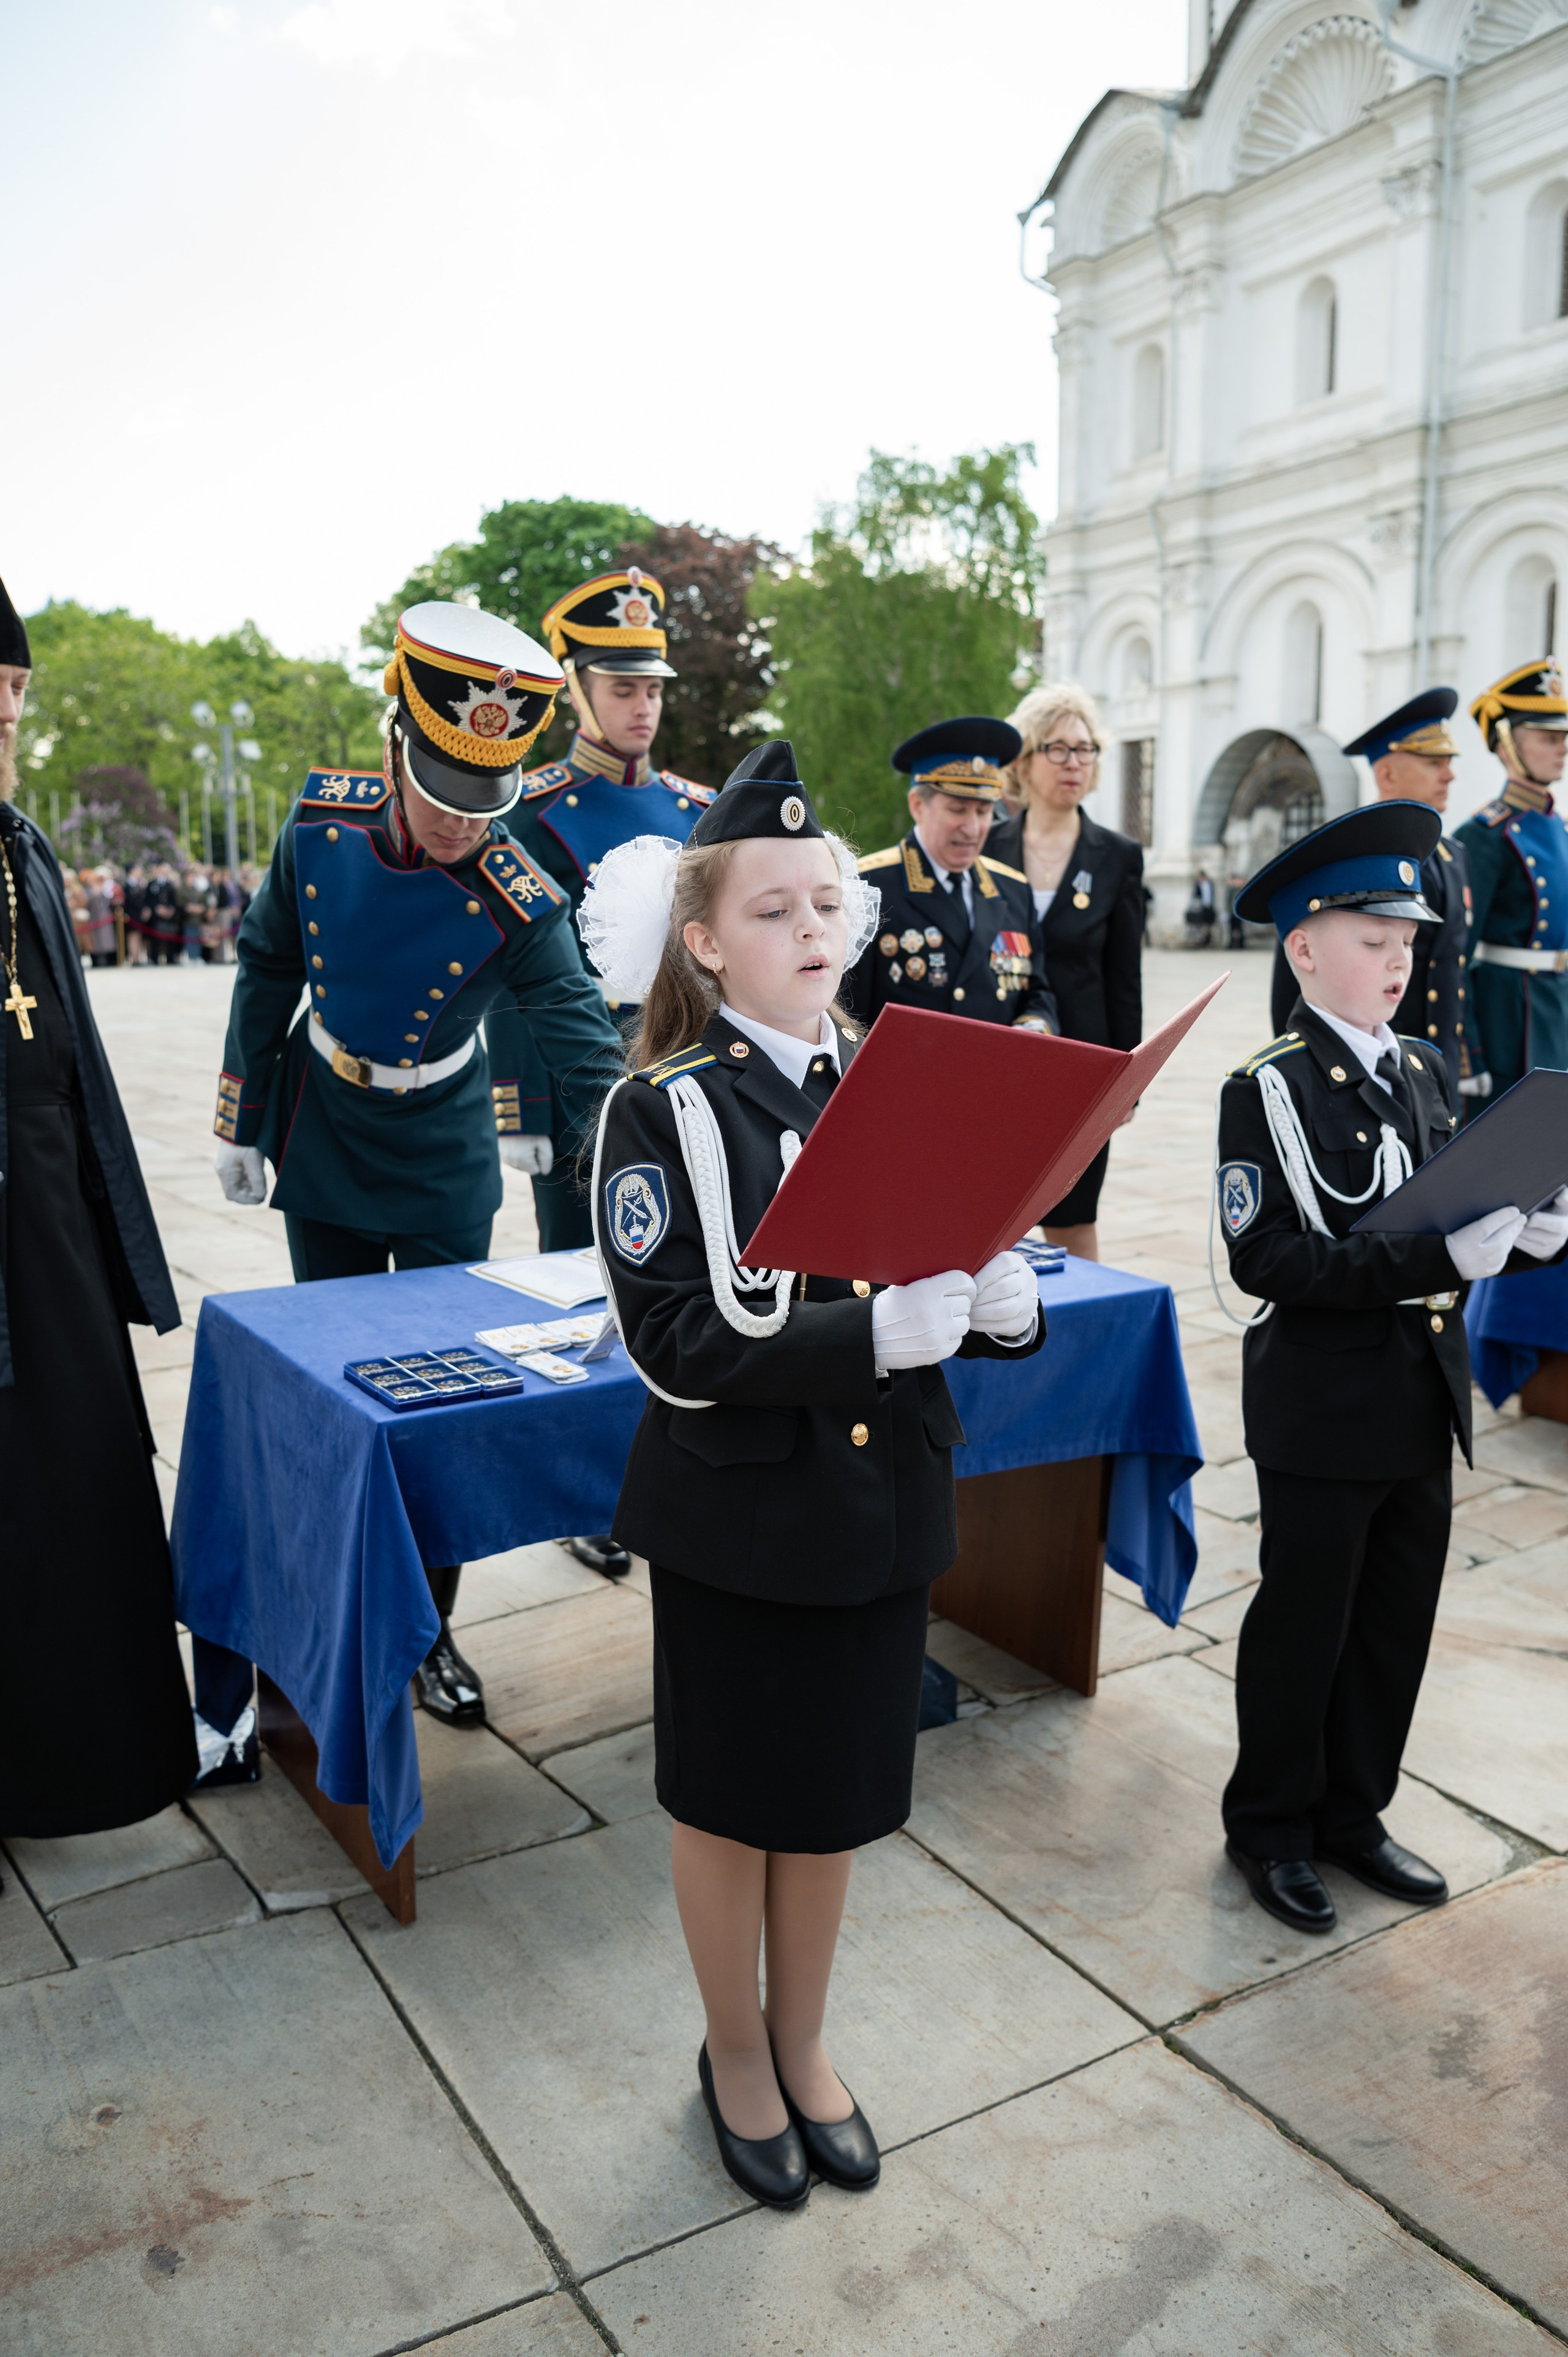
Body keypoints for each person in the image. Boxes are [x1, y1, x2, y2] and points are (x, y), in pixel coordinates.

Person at [582, 739, 1046, 2208]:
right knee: (731, 1792)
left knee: (837, 1787)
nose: (813, 932)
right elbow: (671, 1338)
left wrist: (995, 1301)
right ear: (704, 939)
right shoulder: (661, 1105)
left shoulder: (891, 1073)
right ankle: (732, 2049)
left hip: (882, 1497)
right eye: (773, 911)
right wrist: (866, 1332)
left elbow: (956, 1249)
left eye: (825, 904)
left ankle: (804, 2038)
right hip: (739, 1509)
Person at [198, 600, 624, 1746]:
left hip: (441, 1148)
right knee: (333, 1382)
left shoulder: (517, 888)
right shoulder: (318, 827)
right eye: (442, 789)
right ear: (398, 741)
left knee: (439, 1403)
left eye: (483, 800)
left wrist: (659, 1135)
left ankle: (428, 1625)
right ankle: (321, 1596)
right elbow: (267, 959)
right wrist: (243, 1113)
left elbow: (582, 1035)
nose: (459, 824)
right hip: (327, 1125)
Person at [1215, 802, 1568, 1936]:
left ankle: (1353, 1811)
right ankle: (1269, 1825)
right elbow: (1266, 1255)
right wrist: (1434, 1253)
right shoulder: (1266, 1086)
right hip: (1323, 1403)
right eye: (1374, 939)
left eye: (1410, 941)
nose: (1399, 961)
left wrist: (1519, 1228)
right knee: (1305, 1627)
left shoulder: (1422, 1066)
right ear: (1305, 948)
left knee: (1392, 1622)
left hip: (1420, 1390)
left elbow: (1454, 1198)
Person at [0, 576, 197, 1852]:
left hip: (50, 1239)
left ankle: (79, 1766)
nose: (8, 721)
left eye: (16, 698)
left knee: (68, 1497)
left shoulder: (19, 842)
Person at [511, 565, 714, 1584]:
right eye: (621, 686)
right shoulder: (536, 811)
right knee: (582, 1297)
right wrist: (521, 1109)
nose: (642, 705)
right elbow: (511, 968)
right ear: (576, 689)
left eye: (653, 688)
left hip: (687, 1090)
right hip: (579, 1091)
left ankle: (669, 1461)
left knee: (683, 1278)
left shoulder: (697, 811)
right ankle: (587, 1493)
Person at [989, 684, 1144, 1261]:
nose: (1074, 763)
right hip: (1002, 1060)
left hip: (1085, 1063)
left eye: (1086, 750)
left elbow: (1124, 976)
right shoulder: (990, 844)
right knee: (991, 1221)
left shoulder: (1118, 855)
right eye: (1058, 749)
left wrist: (1130, 1077)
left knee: (1074, 1219)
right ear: (1025, 761)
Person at [1269, 690, 1482, 1106]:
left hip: (1436, 1075)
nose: (1449, 776)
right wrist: (1303, 1075)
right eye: (1434, 763)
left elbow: (1456, 972)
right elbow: (1293, 979)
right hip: (1362, 1076)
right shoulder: (1341, 858)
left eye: (1450, 763)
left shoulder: (1455, 858)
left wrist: (1464, 1066)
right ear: (1387, 775)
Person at [843, 717, 1057, 1036]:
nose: (972, 829)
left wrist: (1035, 1027)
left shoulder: (1012, 889)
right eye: (958, 810)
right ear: (917, 805)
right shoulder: (866, 886)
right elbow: (845, 1014)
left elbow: (1038, 992)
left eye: (983, 812)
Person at [1453, 658, 1568, 1104]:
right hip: (1508, 1020)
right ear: (1505, 745)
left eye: (1564, 738)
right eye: (1548, 738)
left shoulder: (1559, 829)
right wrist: (1469, 1057)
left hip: (1555, 1009)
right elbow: (1454, 957)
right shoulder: (1484, 836)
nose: (1562, 748)